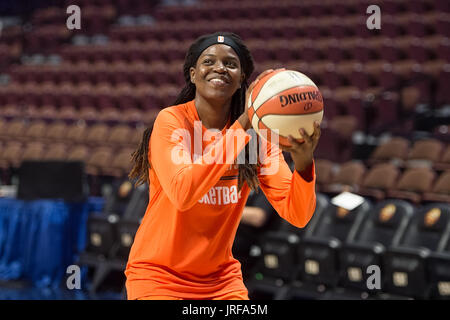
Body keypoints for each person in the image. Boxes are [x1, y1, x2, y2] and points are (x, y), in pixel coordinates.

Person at [124, 32, 321, 300]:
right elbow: (184, 193)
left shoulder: (255, 138)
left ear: (242, 79)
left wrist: (303, 162)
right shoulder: (172, 122)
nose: (219, 68)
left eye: (230, 63)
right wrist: (243, 124)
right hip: (159, 277)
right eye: (209, 61)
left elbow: (298, 214)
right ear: (193, 74)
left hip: (221, 281)